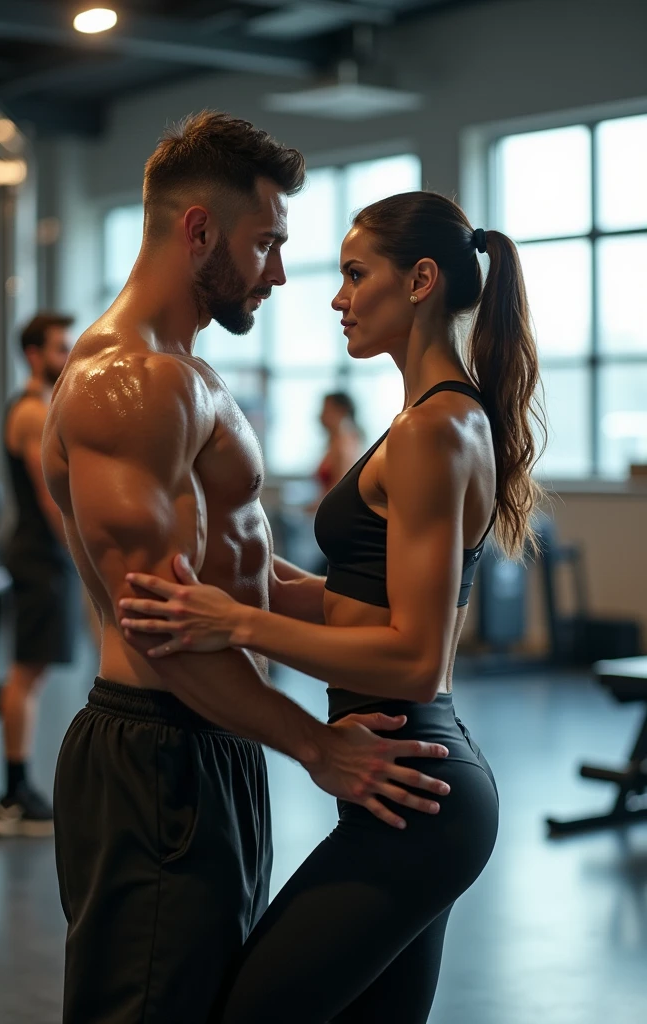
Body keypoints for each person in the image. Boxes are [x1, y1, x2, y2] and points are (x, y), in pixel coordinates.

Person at [42, 113, 452, 1024]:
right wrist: (315, 745)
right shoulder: (127, 386)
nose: (275, 272)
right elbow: (166, 627)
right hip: (158, 755)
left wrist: (394, 636)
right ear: (199, 231)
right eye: (265, 243)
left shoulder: (189, 375)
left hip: (212, 749)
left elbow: (247, 583)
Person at [120, 191, 546, 1023]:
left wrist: (237, 622)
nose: (337, 296)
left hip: (415, 791)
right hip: (415, 784)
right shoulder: (429, 421)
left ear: (420, 280)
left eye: (357, 274)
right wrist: (247, 571)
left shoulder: (434, 430)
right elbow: (360, 602)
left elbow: (414, 657)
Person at [0, 313, 77, 838]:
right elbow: (50, 501)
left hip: (40, 557)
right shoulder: (31, 411)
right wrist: (82, 557)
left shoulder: (38, 407)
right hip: (40, 557)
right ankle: (13, 795)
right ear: (34, 355)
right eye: (59, 348)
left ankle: (15, 789)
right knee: (26, 674)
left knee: (30, 674)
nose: (66, 357)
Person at [314, 391, 363, 506]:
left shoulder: (344, 445)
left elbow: (340, 493)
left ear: (341, 411)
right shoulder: (334, 443)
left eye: (326, 410)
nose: (321, 416)